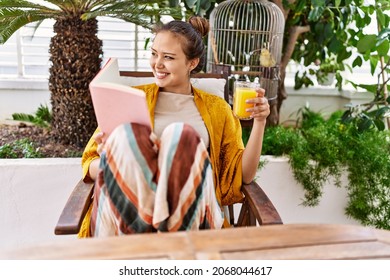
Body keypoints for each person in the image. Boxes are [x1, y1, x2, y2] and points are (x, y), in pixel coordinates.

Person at [78, 16, 270, 237]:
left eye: (168, 57)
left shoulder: (217, 109)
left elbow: (244, 175)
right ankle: (150, 220)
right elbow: (90, 163)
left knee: (181, 136)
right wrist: (110, 158)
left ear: (192, 63)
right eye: (153, 54)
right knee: (128, 136)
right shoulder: (130, 99)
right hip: (127, 215)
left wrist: (260, 121)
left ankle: (158, 224)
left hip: (192, 218)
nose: (157, 64)